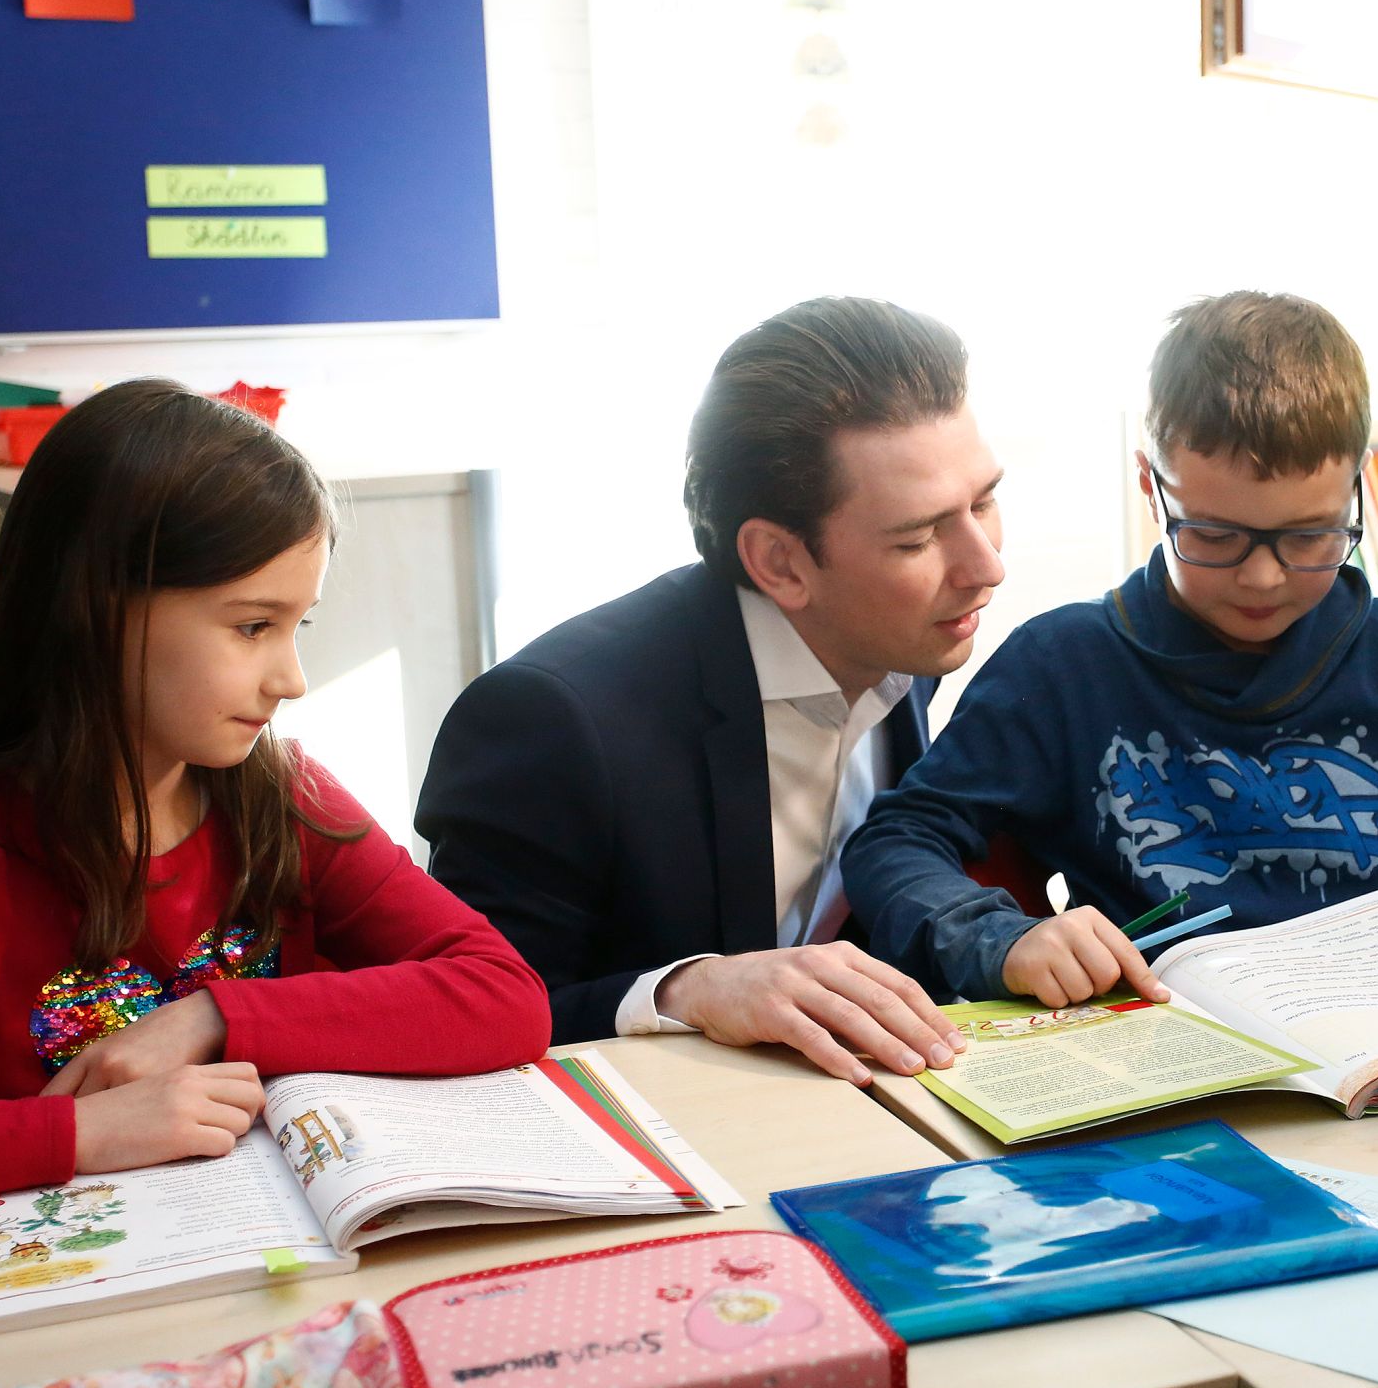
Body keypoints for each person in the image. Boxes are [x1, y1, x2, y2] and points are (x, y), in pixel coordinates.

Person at [0, 379, 550, 1222]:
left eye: (302, 626)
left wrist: (215, 1017)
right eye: (253, 627)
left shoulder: (286, 799)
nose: (290, 679)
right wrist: (77, 1135)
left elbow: (504, 996)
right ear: (99, 612)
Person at [845, 290, 1378, 1007]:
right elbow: (897, 841)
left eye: (1311, 535)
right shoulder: (1061, 666)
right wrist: (997, 938)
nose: (1263, 577)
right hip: (1165, 1066)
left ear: (1356, 488)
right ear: (1150, 486)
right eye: (1213, 535)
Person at [416, 296, 1004, 1084]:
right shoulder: (552, 719)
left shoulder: (911, 640)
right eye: (918, 538)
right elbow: (463, 1015)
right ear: (780, 563)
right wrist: (683, 990)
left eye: (985, 501)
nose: (985, 565)